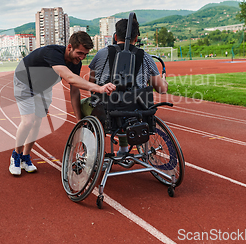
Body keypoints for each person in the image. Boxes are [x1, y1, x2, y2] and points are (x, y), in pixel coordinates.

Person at [9, 31, 116, 176]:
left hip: (44, 87)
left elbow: (74, 91)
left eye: (85, 54)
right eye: (80, 53)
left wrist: (79, 119)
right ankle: (16, 155)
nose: (82, 57)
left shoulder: (76, 63)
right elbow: (69, 78)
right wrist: (99, 88)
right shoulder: (52, 53)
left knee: (37, 122)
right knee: (28, 121)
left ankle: (25, 157)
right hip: (25, 83)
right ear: (69, 47)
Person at [88, 18, 168, 156]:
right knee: (127, 106)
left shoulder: (100, 54)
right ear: (136, 38)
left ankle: (90, 151)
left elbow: (91, 85)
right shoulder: (147, 58)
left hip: (106, 110)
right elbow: (162, 89)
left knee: (84, 105)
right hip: (138, 113)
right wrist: (164, 81)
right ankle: (124, 150)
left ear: (115, 36)